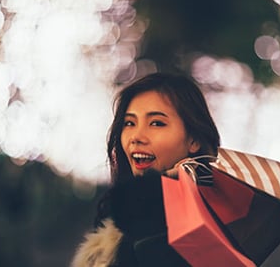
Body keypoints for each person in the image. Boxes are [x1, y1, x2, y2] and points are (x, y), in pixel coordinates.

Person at [71, 72, 221, 267]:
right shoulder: (117, 221)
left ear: (193, 140)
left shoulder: (202, 222)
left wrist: (152, 193)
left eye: (156, 123)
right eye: (129, 123)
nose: (136, 136)